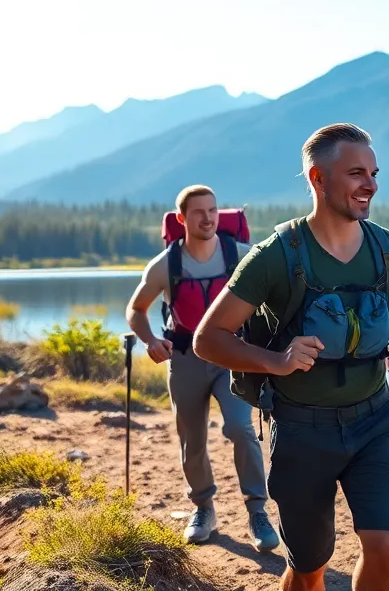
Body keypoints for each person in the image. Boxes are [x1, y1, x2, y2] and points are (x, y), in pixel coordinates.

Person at [194, 123, 389, 591]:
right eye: (356, 173)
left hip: (374, 421)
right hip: (302, 429)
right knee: (308, 568)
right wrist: (276, 361)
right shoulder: (275, 255)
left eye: (374, 173)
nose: (371, 185)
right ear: (317, 178)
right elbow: (208, 338)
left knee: (385, 548)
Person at [125, 184, 279, 551]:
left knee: (240, 428)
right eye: (198, 212)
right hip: (185, 360)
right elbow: (136, 309)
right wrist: (150, 340)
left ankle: (257, 511)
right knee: (191, 438)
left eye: (212, 210)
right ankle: (203, 508)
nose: (208, 218)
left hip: (232, 357)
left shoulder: (240, 255)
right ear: (182, 218)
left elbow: (275, 292)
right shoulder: (166, 265)